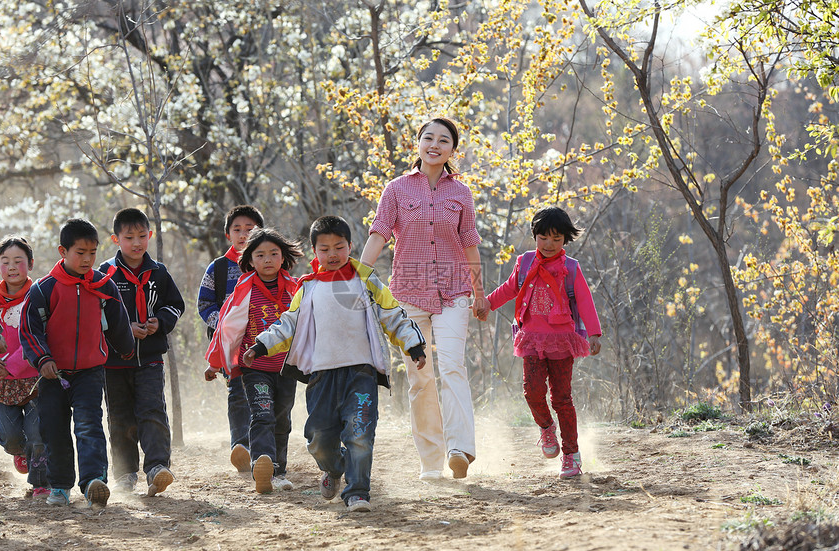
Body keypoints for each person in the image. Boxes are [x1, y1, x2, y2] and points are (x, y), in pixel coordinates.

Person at [245, 216, 426, 511]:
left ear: (351, 246)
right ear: (315, 252)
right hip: (321, 376)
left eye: (339, 247)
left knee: (360, 432)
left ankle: (357, 492)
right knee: (317, 438)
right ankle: (334, 467)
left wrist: (413, 343)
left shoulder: (365, 279)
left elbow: (392, 313)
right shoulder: (309, 287)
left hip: (361, 372)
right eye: (325, 248)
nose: (332, 254)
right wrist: (262, 343)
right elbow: (289, 322)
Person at [360, 117, 489, 480]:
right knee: (420, 378)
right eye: (428, 138)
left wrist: (480, 293)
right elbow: (378, 234)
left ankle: (459, 449)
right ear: (418, 144)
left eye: (443, 140)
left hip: (454, 292)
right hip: (407, 293)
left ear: (452, 149)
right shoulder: (397, 189)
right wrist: (359, 276)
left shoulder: (461, 193)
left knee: (451, 367)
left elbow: (470, 246)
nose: (435, 144)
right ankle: (430, 462)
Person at [20, 218, 136, 507]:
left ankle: (94, 481)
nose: (87, 259)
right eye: (80, 252)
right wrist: (42, 358)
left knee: (88, 425)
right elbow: (29, 330)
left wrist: (126, 348)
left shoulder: (104, 286)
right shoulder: (43, 290)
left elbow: (119, 322)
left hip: (90, 371)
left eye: (92, 252)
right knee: (54, 428)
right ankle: (59, 486)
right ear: (63, 251)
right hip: (52, 374)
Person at [485, 207, 602, 478]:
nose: (549, 245)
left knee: (562, 398)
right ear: (534, 236)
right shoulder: (525, 262)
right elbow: (509, 288)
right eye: (543, 238)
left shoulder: (570, 268)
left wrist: (594, 333)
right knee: (532, 392)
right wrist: (487, 304)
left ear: (566, 240)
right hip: (532, 340)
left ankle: (571, 456)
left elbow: (584, 300)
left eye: (557, 239)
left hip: (562, 342)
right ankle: (547, 428)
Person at [205, 227, 303, 494]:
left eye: (274, 253)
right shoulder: (243, 290)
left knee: (282, 419)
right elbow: (227, 327)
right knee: (262, 415)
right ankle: (263, 464)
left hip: (286, 368)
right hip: (254, 368)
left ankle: (279, 472)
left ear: (283, 257)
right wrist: (216, 362)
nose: (268, 259)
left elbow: (310, 327)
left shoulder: (296, 290)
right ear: (250, 260)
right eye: (260, 255)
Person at [99, 208, 185, 496]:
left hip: (149, 357)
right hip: (113, 361)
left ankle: (157, 467)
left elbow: (175, 305)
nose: (137, 243)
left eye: (142, 236)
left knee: (152, 411)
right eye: (129, 237)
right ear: (116, 239)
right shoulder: (104, 273)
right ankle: (124, 474)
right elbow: (94, 314)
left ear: (150, 235)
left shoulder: (158, 272)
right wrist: (124, 330)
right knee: (119, 417)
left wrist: (159, 321)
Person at [0, 236, 49, 497]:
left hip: (33, 378)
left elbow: (39, 336)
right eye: (5, 261)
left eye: (18, 261)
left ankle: (41, 482)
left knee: (37, 433)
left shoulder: (39, 296)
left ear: (30, 264)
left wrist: (14, 365)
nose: (11, 266)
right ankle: (18, 452)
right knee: (10, 436)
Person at [197, 205, 264, 473]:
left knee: (263, 394)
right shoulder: (219, 268)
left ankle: (264, 450)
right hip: (231, 346)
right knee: (237, 393)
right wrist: (224, 326)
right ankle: (242, 447)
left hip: (264, 344)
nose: (243, 234)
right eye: (237, 229)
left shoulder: (267, 261)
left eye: (250, 229)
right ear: (228, 235)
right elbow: (204, 303)